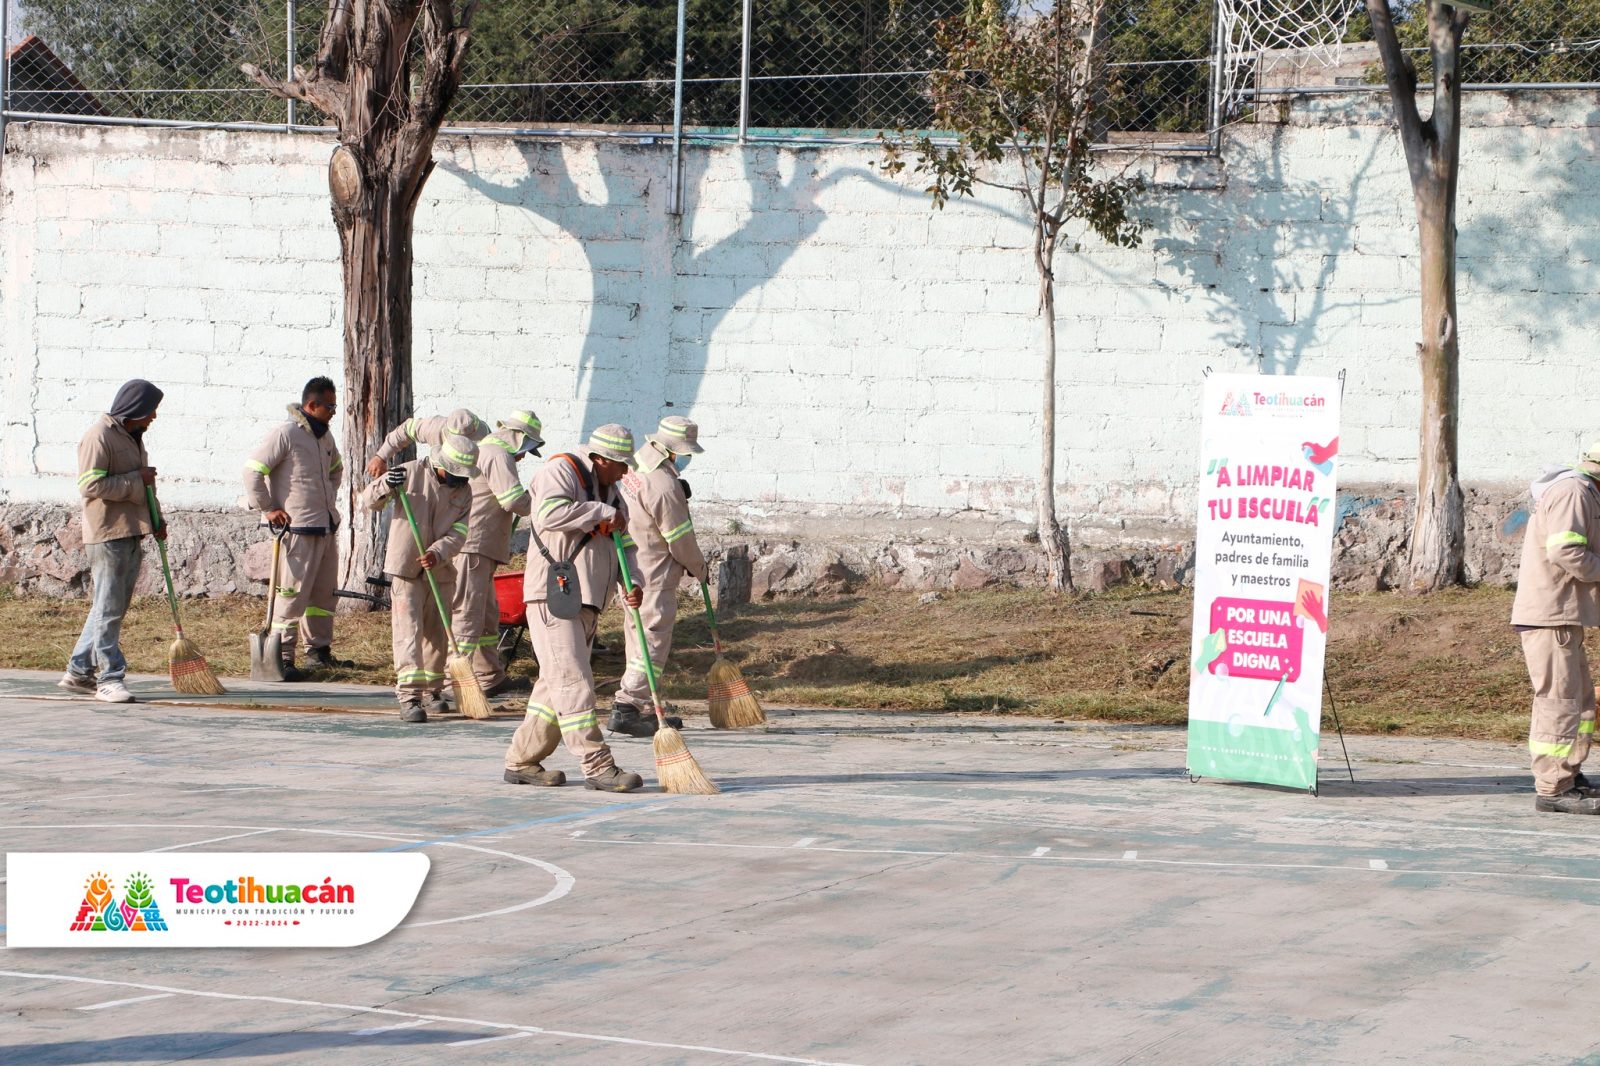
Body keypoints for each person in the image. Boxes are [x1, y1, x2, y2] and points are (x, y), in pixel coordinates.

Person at [502, 424, 647, 792]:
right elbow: (547, 514)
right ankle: (597, 764)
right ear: (600, 459)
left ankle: (522, 760)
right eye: (620, 464)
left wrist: (634, 581)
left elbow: (625, 543)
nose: (626, 472)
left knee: (555, 686)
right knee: (574, 681)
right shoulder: (559, 471)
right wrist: (598, 510)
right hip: (554, 595)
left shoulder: (612, 491)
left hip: (587, 598)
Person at [372, 408, 542, 696]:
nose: (524, 456)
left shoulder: (483, 447)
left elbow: (409, 428)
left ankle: (489, 675)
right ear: (518, 440)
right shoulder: (499, 455)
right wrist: (545, 505)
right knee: (467, 614)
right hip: (474, 546)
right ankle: (454, 683)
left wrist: (382, 453)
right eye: (526, 450)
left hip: (483, 546)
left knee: (488, 614)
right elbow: (514, 501)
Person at [59, 379, 165, 704]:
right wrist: (137, 480)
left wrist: (157, 519)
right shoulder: (99, 436)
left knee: (110, 607)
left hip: (132, 529)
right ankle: (109, 678)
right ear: (136, 409)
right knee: (108, 608)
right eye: (151, 411)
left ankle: (78, 672)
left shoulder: (133, 437)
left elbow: (144, 486)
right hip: (107, 534)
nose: (154, 418)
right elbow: (90, 486)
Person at [361, 432, 479, 723]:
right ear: (441, 464)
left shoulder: (465, 492)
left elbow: (460, 533)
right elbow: (369, 501)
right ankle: (410, 696)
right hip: (407, 569)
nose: (459, 480)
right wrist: (385, 485)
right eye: (454, 474)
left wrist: (438, 552)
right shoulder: (410, 473)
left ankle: (433, 690)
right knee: (408, 632)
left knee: (437, 634)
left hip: (440, 570)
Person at [242, 376, 351, 680]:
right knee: (291, 597)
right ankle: (283, 658)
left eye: (334, 406)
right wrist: (269, 508)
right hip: (297, 530)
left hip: (326, 527)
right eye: (329, 406)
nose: (333, 412)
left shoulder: (325, 439)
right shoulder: (286, 435)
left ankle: (318, 651)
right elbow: (253, 472)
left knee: (323, 597)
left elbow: (336, 469)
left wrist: (327, 495)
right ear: (311, 405)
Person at [1512, 442, 1600, 815]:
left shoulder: (1583, 491)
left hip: (1565, 616)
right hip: (1552, 615)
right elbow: (1565, 550)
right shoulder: (1574, 492)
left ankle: (1569, 773)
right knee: (1558, 703)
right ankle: (1553, 786)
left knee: (1580, 703)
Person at [612, 415, 708, 737]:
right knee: (652, 643)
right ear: (672, 451)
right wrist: (700, 568)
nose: (686, 458)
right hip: (654, 574)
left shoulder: (635, 466)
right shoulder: (665, 486)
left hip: (631, 569)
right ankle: (627, 706)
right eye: (685, 452)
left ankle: (640, 705)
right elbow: (680, 539)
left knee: (636, 638)